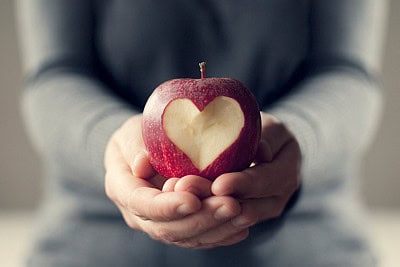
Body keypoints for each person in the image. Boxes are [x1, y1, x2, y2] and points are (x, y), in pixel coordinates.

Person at [16, 0, 387, 266]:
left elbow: (345, 73)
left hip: (308, 245)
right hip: (95, 246)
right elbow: (57, 75)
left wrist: (296, 142)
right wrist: (113, 146)